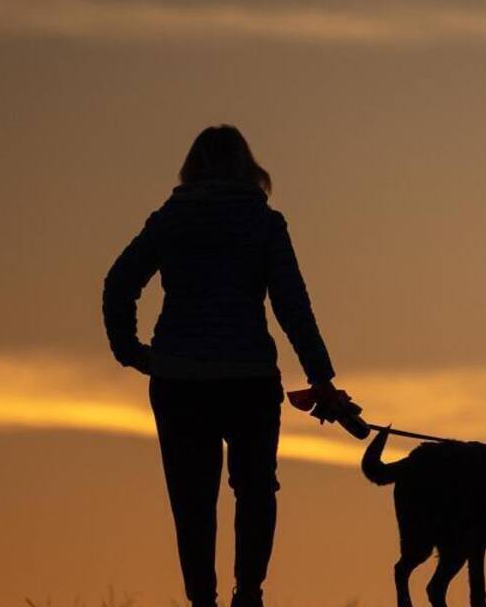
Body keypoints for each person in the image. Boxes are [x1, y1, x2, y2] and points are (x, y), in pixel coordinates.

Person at [101, 125, 337, 607]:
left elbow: (117, 284)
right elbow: (293, 307)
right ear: (250, 170)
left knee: (192, 503)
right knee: (255, 490)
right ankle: (248, 594)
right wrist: (322, 380)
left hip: (179, 380)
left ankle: (202, 602)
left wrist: (133, 351)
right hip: (249, 378)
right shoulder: (264, 222)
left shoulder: (170, 219)